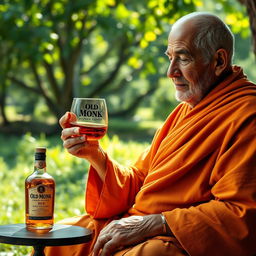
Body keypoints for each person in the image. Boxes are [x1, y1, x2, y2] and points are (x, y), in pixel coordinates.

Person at [45, 12, 256, 256]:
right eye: (170, 58)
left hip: (175, 237)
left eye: (183, 59)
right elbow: (140, 182)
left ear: (219, 61)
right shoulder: (185, 112)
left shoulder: (247, 114)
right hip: (136, 223)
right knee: (62, 236)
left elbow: (241, 214)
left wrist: (155, 223)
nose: (171, 72)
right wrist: (95, 155)